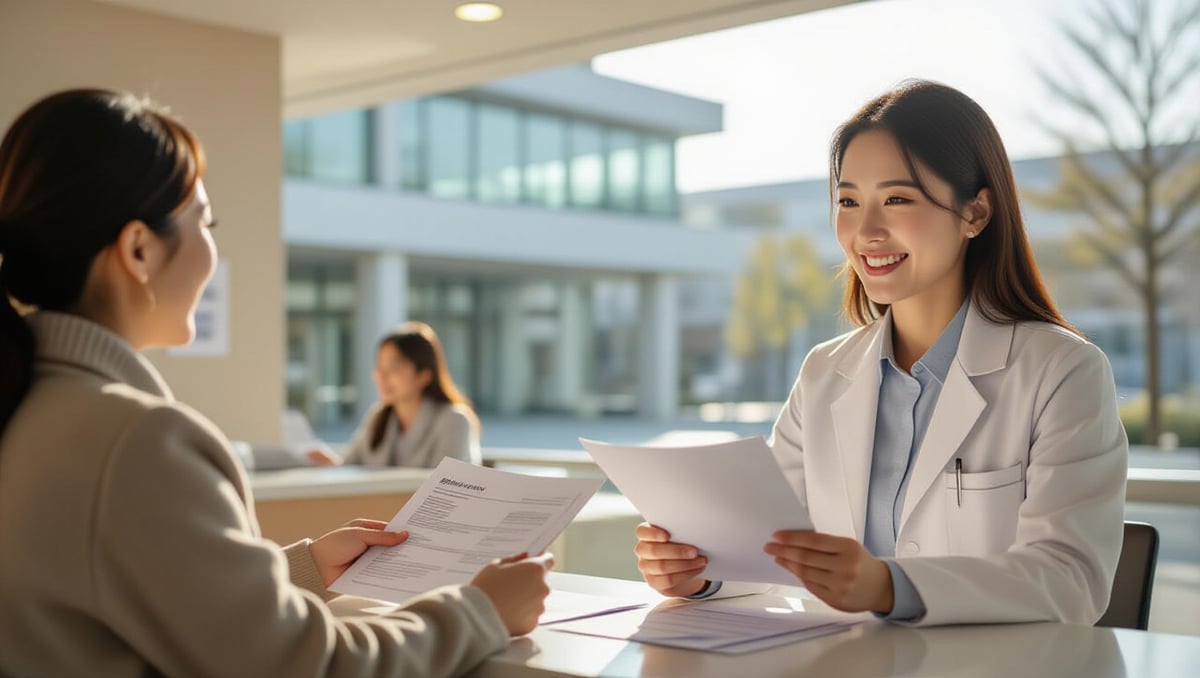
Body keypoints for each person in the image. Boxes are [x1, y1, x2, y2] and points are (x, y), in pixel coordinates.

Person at [0, 88, 550, 676]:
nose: (212, 251)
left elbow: (138, 599)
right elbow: (310, 667)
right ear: (138, 249)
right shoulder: (138, 442)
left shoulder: (28, 407)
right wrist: (481, 611)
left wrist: (299, 570)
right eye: (205, 223)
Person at [634, 80, 1127, 627]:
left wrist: (889, 586)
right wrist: (701, 572)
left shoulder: (1062, 371)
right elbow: (772, 547)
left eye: (896, 199)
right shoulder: (824, 372)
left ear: (976, 213)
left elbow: (1070, 579)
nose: (865, 231)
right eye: (848, 201)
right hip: (843, 660)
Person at [307, 322, 482, 468]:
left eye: (394, 368)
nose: (382, 376)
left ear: (424, 376)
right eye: (380, 367)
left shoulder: (454, 420)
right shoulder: (378, 416)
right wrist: (328, 462)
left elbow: (448, 487)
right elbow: (349, 466)